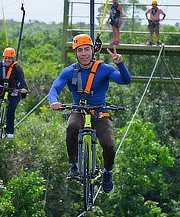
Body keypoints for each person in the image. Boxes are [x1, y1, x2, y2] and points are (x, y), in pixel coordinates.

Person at [49, 34, 131, 193]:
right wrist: (54, 101)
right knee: (72, 127)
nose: (84, 53)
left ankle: (108, 172)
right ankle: (73, 165)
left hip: (100, 111)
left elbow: (125, 80)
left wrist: (120, 64)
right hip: (79, 110)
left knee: (108, 143)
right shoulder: (69, 71)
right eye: (80, 50)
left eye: (87, 49)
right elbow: (55, 88)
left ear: (93, 51)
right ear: (76, 53)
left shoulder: (104, 69)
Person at [0, 47, 28, 139]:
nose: (7, 60)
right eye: (5, 58)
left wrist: (23, 89)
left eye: (9, 58)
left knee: (11, 110)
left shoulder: (17, 69)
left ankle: (9, 131)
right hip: (2, 87)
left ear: (12, 59)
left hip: (14, 89)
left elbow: (21, 80)